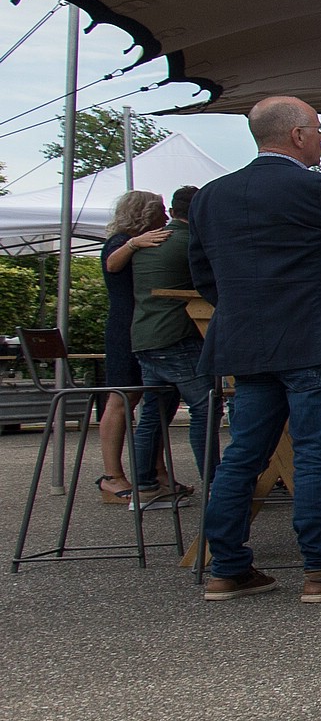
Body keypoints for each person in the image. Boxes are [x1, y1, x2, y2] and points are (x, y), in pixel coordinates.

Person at [191, 95, 321, 601]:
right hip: (313, 337)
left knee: (243, 454)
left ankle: (227, 567)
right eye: (318, 131)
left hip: (246, 340)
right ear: (297, 136)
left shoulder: (211, 195)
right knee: (315, 453)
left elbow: (203, 274)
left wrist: (245, 308)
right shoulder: (314, 188)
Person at [126, 185, 215, 498]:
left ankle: (144, 482)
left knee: (154, 413)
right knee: (206, 407)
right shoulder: (191, 243)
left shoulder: (146, 243)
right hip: (177, 337)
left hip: (144, 336)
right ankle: (216, 484)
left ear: (173, 210)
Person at [95, 189, 176, 502]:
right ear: (145, 214)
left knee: (152, 400)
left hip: (140, 327)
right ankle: (111, 476)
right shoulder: (120, 242)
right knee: (121, 398)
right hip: (125, 329)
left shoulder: (141, 242)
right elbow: (112, 265)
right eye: (160, 211)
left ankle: (154, 471)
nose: (165, 216)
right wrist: (131, 244)